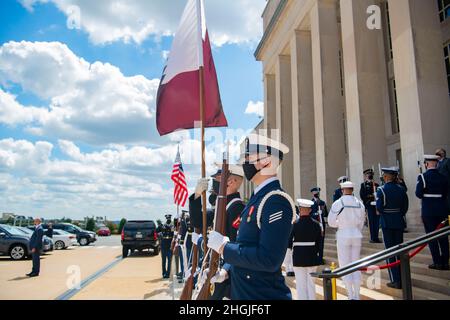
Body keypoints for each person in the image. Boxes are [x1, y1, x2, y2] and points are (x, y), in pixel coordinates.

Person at [207, 134, 296, 300]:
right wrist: (226, 270)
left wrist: (224, 248)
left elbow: (268, 259)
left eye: (249, 157)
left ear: (267, 161)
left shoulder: (276, 200)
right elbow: (245, 245)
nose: (244, 161)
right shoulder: (258, 198)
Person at [202, 165, 246, 300]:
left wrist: (225, 271)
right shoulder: (225, 205)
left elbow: (236, 244)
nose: (216, 183)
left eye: (220, 179)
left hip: (227, 271)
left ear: (232, 182)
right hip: (218, 265)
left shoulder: (236, 207)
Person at [328, 182, 366, 300]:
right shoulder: (360, 203)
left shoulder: (338, 203)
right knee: (356, 264)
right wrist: (355, 229)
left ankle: (350, 295)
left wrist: (341, 224)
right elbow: (362, 221)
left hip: (343, 234)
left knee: (345, 264)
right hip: (356, 234)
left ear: (342, 190)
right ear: (352, 189)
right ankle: (357, 295)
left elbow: (331, 222)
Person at [376, 167, 409, 289]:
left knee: (390, 251)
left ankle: (395, 280)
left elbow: (379, 207)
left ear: (386, 177)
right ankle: (402, 277)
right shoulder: (401, 189)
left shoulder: (382, 190)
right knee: (399, 250)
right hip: (399, 221)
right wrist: (398, 215)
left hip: (387, 223)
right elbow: (405, 206)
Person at [416, 155, 449, 270]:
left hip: (428, 211)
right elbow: (445, 194)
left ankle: (437, 262)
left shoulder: (422, 177)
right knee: (443, 237)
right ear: (436, 163)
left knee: (431, 237)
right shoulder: (443, 177)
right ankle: (446, 261)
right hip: (442, 209)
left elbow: (418, 194)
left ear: (426, 164)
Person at [291, 199, 322, 300]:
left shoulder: (294, 224)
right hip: (312, 256)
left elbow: (288, 242)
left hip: (298, 257)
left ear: (299, 210)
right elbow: (319, 244)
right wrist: (318, 255)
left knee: (300, 285)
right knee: (311, 284)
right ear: (309, 210)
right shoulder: (317, 224)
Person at [360, 169, 381, 243]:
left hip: (376, 206)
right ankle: (372, 237)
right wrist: (370, 198)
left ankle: (376, 237)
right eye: (368, 174)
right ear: (365, 176)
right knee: (371, 222)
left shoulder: (376, 185)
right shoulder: (363, 185)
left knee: (377, 222)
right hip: (369, 205)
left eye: (370, 174)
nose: (369, 175)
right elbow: (362, 195)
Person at [310, 187, 328, 264]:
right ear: (312, 193)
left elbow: (326, 214)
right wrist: (316, 213)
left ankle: (320, 258)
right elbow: (309, 214)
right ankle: (314, 257)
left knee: (321, 242)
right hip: (314, 225)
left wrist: (322, 212)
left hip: (321, 225)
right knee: (314, 242)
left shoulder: (322, 203)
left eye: (317, 193)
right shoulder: (310, 203)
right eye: (314, 193)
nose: (316, 194)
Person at [159, 214, 174, 279]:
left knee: (169, 261)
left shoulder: (172, 226)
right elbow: (156, 231)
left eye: (169, 218)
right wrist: (160, 228)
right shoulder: (163, 225)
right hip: (163, 245)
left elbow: (173, 234)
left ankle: (168, 274)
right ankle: (163, 273)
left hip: (169, 245)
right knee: (164, 261)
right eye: (167, 218)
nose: (168, 219)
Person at [436, 148, 450, 213]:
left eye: (438, 152)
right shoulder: (437, 163)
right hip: (440, 187)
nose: (436, 153)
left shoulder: (447, 161)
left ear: (443, 153)